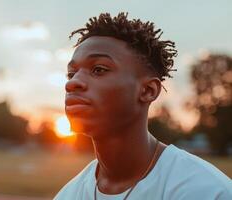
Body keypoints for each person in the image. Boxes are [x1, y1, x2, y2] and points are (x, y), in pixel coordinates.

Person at [54, 12, 232, 200]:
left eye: (99, 69)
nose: (72, 83)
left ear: (148, 90)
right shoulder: (69, 195)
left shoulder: (206, 191)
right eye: (71, 74)